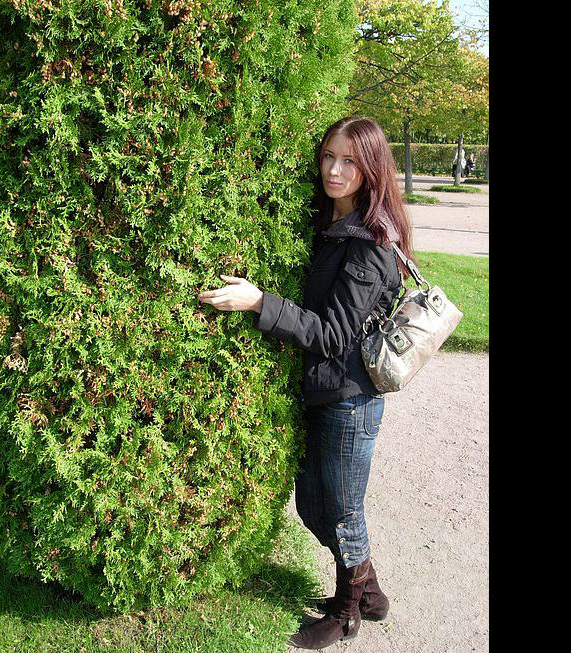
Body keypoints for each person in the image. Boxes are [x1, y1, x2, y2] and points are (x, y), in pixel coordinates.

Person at [198, 116, 413, 650]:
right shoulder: (331, 221)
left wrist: (259, 303)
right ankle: (370, 589)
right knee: (314, 505)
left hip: (351, 399)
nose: (334, 170)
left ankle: (346, 612)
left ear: (371, 168)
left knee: (342, 511)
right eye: (328, 157)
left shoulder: (369, 243)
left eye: (349, 161)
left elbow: (334, 335)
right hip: (325, 391)